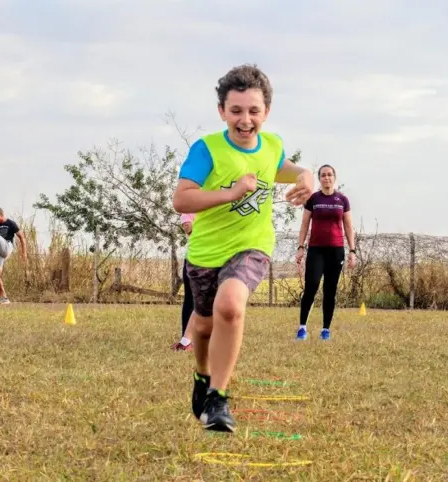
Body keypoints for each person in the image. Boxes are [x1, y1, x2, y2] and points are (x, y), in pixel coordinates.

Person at [172, 64, 314, 433]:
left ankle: (218, 398)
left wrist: (307, 176)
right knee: (202, 327)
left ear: (266, 111)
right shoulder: (207, 150)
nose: (245, 120)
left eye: (254, 111)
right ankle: (202, 377)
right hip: (206, 251)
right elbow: (182, 200)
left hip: (252, 245)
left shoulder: (272, 144)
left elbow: (281, 166)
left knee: (231, 307)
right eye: (236, 111)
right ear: (222, 111)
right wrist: (230, 193)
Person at [295, 165, 357, 341]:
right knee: (312, 286)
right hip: (316, 250)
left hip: (336, 251)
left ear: (334, 178)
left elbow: (348, 226)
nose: (326, 178)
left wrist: (352, 250)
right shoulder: (313, 199)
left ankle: (325, 330)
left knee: (330, 290)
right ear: (319, 178)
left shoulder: (342, 200)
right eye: (323, 175)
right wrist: (300, 247)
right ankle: (302, 328)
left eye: (329, 175)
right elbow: (305, 224)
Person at [173, 212, 197, 351]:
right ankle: (186, 339)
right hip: (195, 258)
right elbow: (188, 227)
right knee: (190, 300)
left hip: (217, 256)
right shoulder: (189, 207)